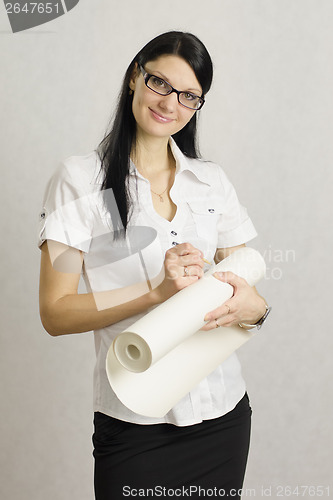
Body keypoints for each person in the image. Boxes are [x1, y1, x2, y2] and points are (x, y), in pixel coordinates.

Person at [38, 31, 270, 499]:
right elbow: (55, 312)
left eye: (189, 95)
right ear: (134, 78)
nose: (170, 103)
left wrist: (256, 311)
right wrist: (154, 294)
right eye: (160, 83)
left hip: (224, 414)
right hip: (136, 425)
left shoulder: (211, 182)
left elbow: (248, 282)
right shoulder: (78, 180)